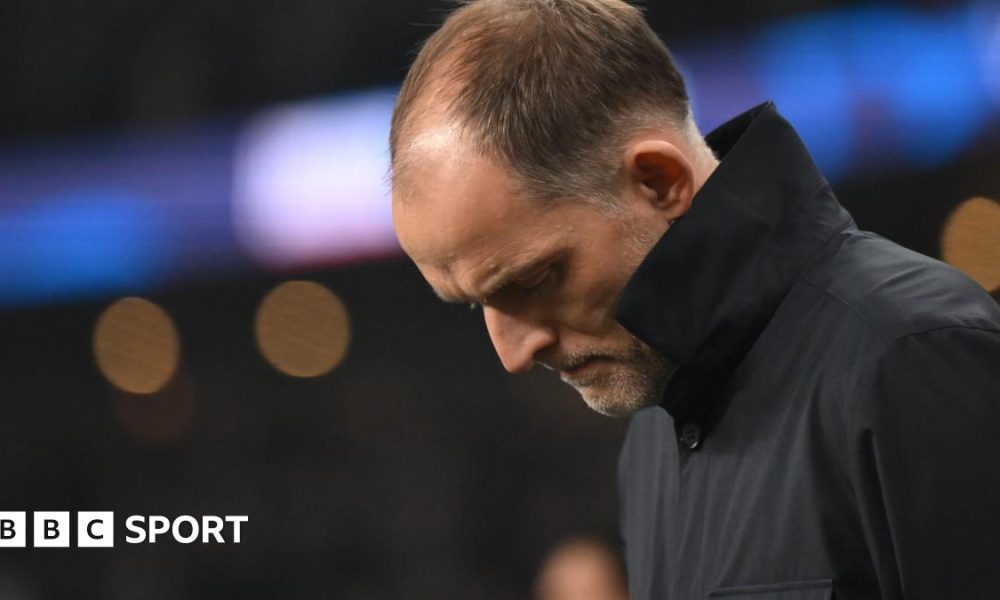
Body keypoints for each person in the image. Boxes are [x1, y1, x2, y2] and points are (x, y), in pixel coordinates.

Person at [388, 1, 1000, 598]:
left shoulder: (912, 356)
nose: (513, 353)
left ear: (659, 180)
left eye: (530, 281)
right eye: (474, 303)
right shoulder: (651, 440)